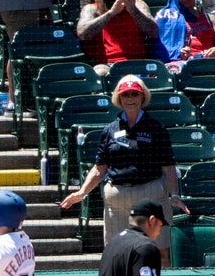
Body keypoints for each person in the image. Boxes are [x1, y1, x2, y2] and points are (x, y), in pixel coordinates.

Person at [60, 75, 187, 266]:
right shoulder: (109, 130)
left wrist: (175, 194)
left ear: (142, 97)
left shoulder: (156, 129)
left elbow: (168, 166)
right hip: (117, 197)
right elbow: (99, 167)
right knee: (116, 253)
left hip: (150, 194)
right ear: (119, 99)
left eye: (134, 94)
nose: (130, 99)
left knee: (159, 252)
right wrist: (82, 192)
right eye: (125, 95)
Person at [76, 0, 159, 76]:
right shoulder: (92, 8)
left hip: (139, 63)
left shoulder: (138, 4)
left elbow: (153, 32)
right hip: (107, 66)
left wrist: (133, 11)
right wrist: (111, 13)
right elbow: (82, 34)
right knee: (98, 73)